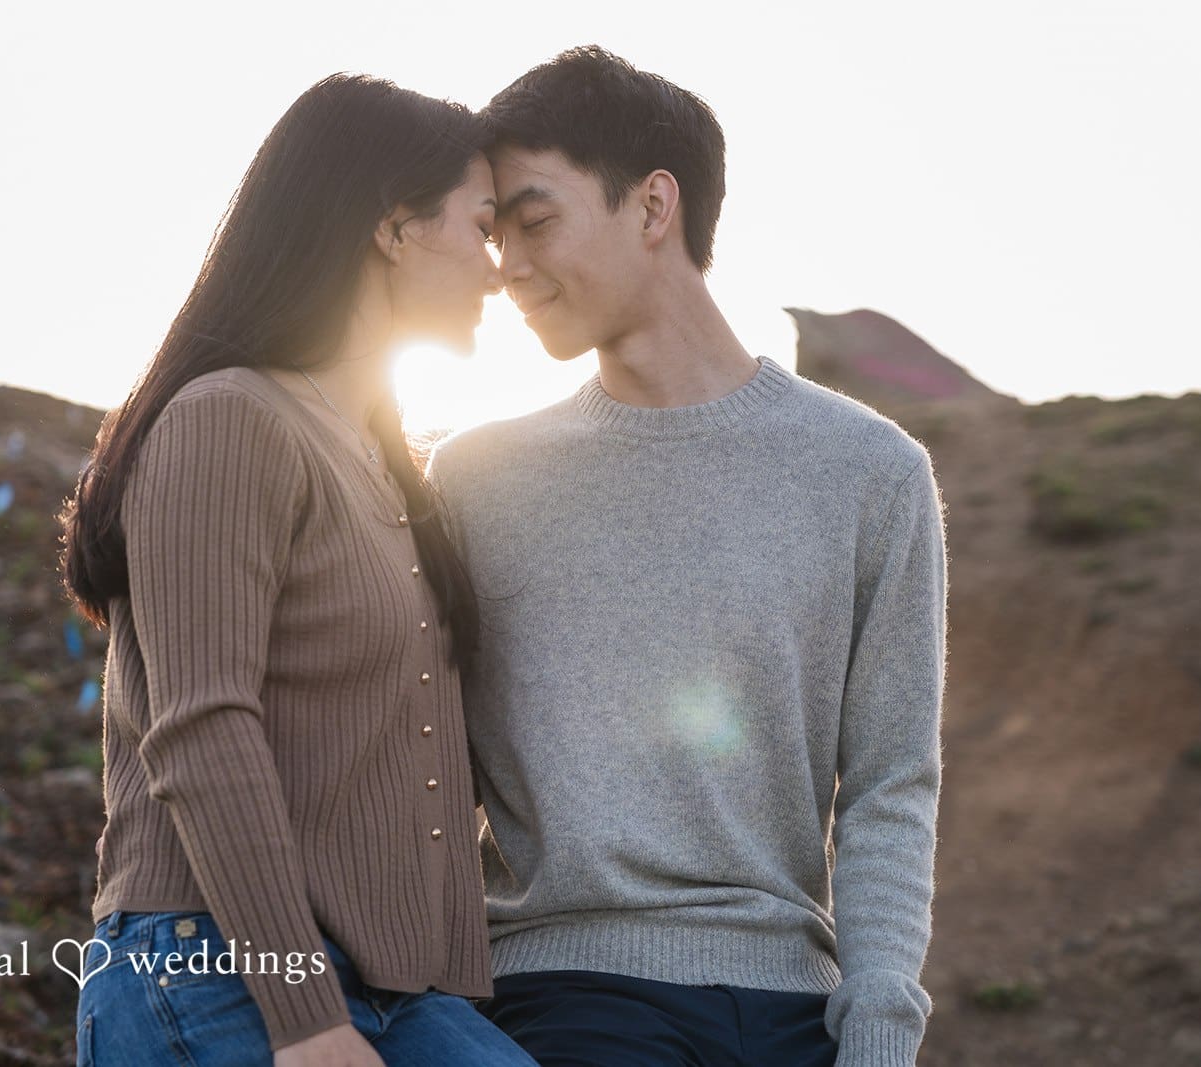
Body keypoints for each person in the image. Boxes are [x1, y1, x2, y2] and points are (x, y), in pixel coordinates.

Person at [426, 47, 948, 1067]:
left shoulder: (872, 471)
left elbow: (891, 780)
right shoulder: (473, 479)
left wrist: (880, 1028)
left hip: (801, 998)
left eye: (534, 222)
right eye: (494, 235)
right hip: (565, 992)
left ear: (653, 206)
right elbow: (426, 774)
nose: (507, 267)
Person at [56, 74, 536, 1067]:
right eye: (480, 225)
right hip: (216, 967)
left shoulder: (379, 457)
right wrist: (305, 1012)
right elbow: (201, 722)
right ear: (393, 228)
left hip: (390, 987)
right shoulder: (230, 417)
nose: (498, 269)